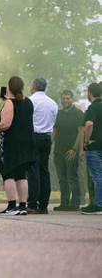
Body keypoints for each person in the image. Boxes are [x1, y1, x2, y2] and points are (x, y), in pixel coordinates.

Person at [0, 76, 35, 215]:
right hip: (27, 143)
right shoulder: (28, 102)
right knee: (22, 175)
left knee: (8, 173)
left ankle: (11, 206)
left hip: (11, 144)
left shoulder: (9, 103)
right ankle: (22, 206)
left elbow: (5, 124)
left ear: (9, 88)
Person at [26, 77, 58, 214]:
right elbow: (54, 122)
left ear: (33, 87)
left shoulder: (30, 101)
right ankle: (43, 205)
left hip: (34, 137)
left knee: (33, 171)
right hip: (47, 138)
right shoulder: (53, 103)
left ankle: (32, 204)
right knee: (44, 171)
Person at [52, 90, 85, 211]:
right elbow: (55, 131)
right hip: (58, 151)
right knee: (62, 178)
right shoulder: (58, 114)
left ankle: (75, 203)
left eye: (67, 98)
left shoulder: (77, 113)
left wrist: (75, 149)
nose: (65, 101)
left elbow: (81, 132)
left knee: (72, 177)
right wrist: (49, 144)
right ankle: (64, 203)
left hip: (71, 151)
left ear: (72, 99)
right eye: (63, 99)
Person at [81, 82, 102, 215]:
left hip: (94, 147)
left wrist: (86, 141)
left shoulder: (93, 107)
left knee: (97, 176)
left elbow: (88, 124)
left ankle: (98, 204)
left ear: (89, 93)